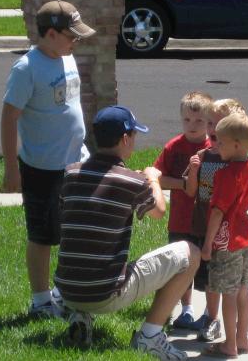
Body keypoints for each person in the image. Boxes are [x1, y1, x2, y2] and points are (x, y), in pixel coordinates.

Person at [54, 105, 200, 361]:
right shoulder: (131, 181)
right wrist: (153, 178)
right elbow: (158, 211)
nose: (134, 141)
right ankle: (150, 336)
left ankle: (81, 315)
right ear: (124, 139)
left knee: (87, 249)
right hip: (106, 294)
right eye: (134, 136)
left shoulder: (71, 173)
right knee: (191, 253)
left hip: (67, 288)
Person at [0, 0, 95, 316]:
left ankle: (62, 291)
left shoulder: (65, 57)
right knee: (42, 235)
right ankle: (40, 300)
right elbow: (9, 117)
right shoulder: (27, 68)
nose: (76, 41)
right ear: (51, 34)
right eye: (72, 36)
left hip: (75, 162)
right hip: (42, 167)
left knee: (72, 230)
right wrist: (12, 168)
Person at [200, 112, 248, 358]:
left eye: (221, 141)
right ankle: (242, 340)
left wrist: (207, 244)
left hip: (225, 242)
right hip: (245, 240)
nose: (216, 145)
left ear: (236, 145)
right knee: (242, 289)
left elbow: (217, 213)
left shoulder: (226, 175)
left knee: (228, 294)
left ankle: (229, 345)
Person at [184, 99, 247, 342]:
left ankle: (244, 325)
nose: (211, 129)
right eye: (210, 123)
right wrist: (192, 170)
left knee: (237, 282)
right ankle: (212, 319)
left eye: (218, 124)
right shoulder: (203, 156)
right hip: (203, 225)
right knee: (210, 279)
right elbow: (191, 192)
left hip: (231, 232)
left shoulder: (238, 160)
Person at [153, 91, 212, 329]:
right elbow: (158, 176)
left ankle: (210, 312)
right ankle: (186, 309)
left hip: (206, 221)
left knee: (208, 270)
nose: (193, 126)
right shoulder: (174, 147)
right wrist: (182, 184)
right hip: (179, 221)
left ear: (209, 122)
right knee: (182, 268)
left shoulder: (214, 149)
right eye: (187, 120)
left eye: (199, 121)